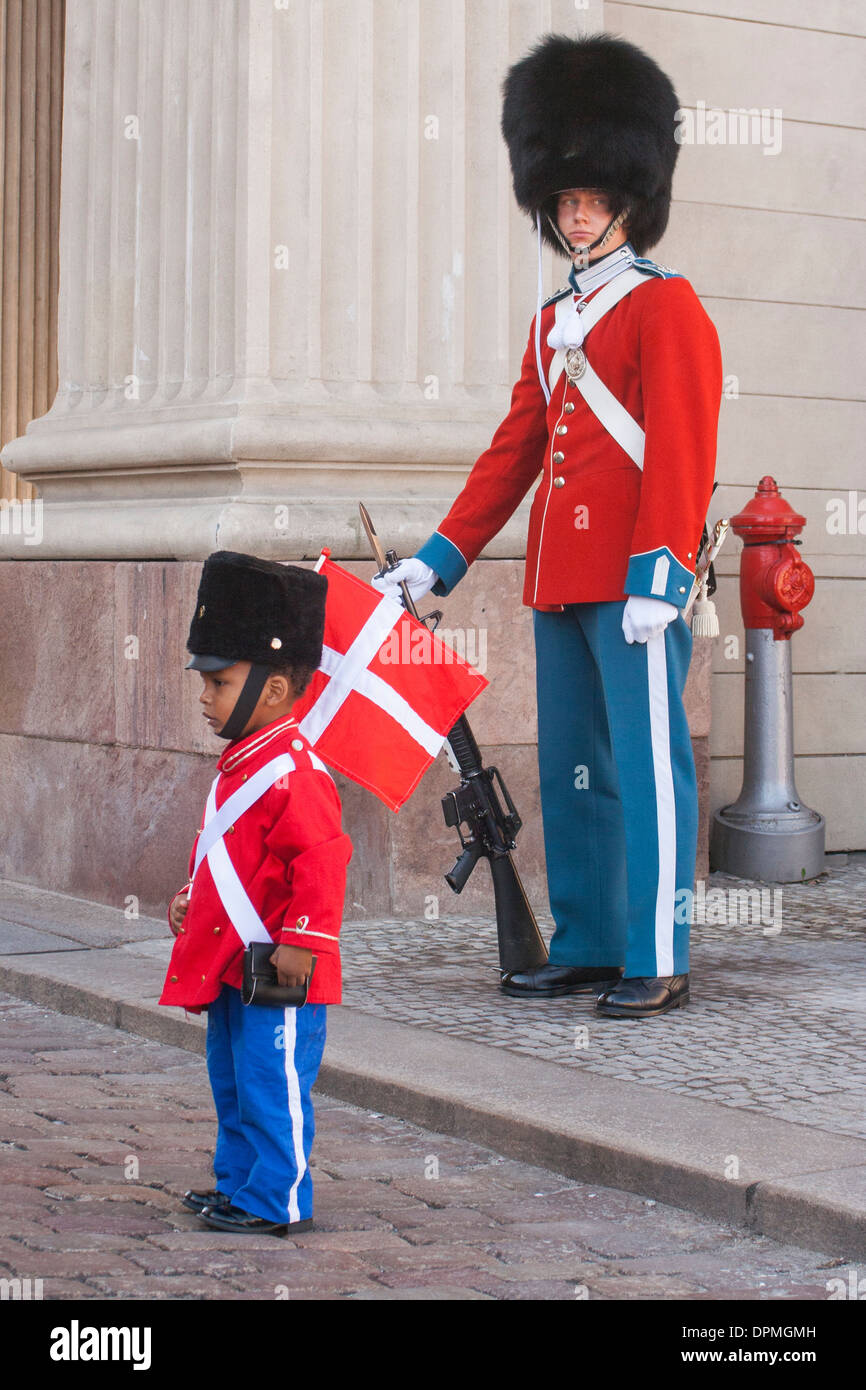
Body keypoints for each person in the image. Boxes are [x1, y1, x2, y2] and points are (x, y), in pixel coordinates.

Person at [373, 34, 722, 1018]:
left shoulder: (665, 308)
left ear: (625, 196)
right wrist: (435, 563)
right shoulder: (547, 326)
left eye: (590, 195)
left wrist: (659, 578)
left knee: (649, 770)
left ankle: (655, 951)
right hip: (560, 581)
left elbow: (681, 451)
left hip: (633, 584)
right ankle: (588, 940)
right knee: (575, 772)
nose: (574, 212)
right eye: (561, 197)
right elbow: (511, 455)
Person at [160, 551, 352, 1233]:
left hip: (279, 970)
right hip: (234, 965)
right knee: (234, 1084)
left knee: (274, 1090)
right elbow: (231, 855)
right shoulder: (242, 766)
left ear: (273, 690)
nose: (206, 697)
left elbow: (323, 861)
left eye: (219, 682)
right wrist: (192, 894)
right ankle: (238, 1184)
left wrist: (304, 939)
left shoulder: (295, 771)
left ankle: (278, 1199)